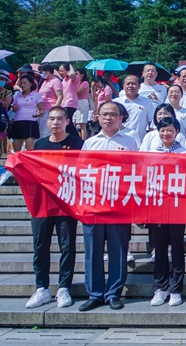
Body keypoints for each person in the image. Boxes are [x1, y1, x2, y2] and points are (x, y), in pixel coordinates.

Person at [78, 100, 137, 311]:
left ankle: (113, 293)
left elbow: (136, 172)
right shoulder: (90, 143)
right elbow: (81, 173)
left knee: (118, 251)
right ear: (98, 117)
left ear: (121, 118)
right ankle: (95, 294)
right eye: (105, 114)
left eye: (113, 114)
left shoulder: (130, 142)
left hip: (118, 206)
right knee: (92, 251)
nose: (109, 118)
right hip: (93, 205)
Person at [25, 106, 84, 309]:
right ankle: (42, 288)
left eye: (59, 119)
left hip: (66, 202)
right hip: (42, 203)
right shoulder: (39, 144)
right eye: (51, 119)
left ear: (67, 121)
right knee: (40, 245)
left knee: (67, 245)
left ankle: (64, 287)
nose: (55, 122)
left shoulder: (77, 144)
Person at [142, 116, 186, 307]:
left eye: (169, 130)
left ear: (176, 131)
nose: (166, 133)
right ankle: (160, 288)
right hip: (157, 206)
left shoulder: (185, 153)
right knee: (159, 248)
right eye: (162, 130)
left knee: (177, 248)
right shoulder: (151, 153)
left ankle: (176, 289)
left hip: (177, 207)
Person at [114, 74, 155, 142]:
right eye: (128, 84)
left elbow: (151, 123)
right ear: (123, 86)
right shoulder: (116, 103)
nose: (130, 86)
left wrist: (150, 140)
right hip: (119, 139)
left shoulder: (147, 102)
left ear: (139, 86)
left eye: (133, 84)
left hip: (140, 140)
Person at [10, 73, 44, 152]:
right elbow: (14, 109)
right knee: (17, 149)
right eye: (21, 83)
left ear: (31, 83)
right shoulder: (17, 95)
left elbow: (41, 109)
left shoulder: (36, 95)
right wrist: (14, 108)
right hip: (18, 121)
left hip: (30, 121)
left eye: (25, 83)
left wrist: (39, 114)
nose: (23, 85)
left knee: (29, 148)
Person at [37, 64, 63, 138]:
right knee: (40, 131)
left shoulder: (56, 81)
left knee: (44, 132)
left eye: (42, 72)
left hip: (50, 109)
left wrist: (54, 110)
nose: (42, 74)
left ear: (48, 71)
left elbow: (60, 96)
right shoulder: (44, 82)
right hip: (42, 110)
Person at [73, 68, 91, 140]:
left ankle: (83, 140)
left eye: (77, 74)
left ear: (82, 75)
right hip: (76, 102)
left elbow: (78, 92)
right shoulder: (76, 83)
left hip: (82, 102)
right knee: (73, 122)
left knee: (82, 124)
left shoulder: (85, 83)